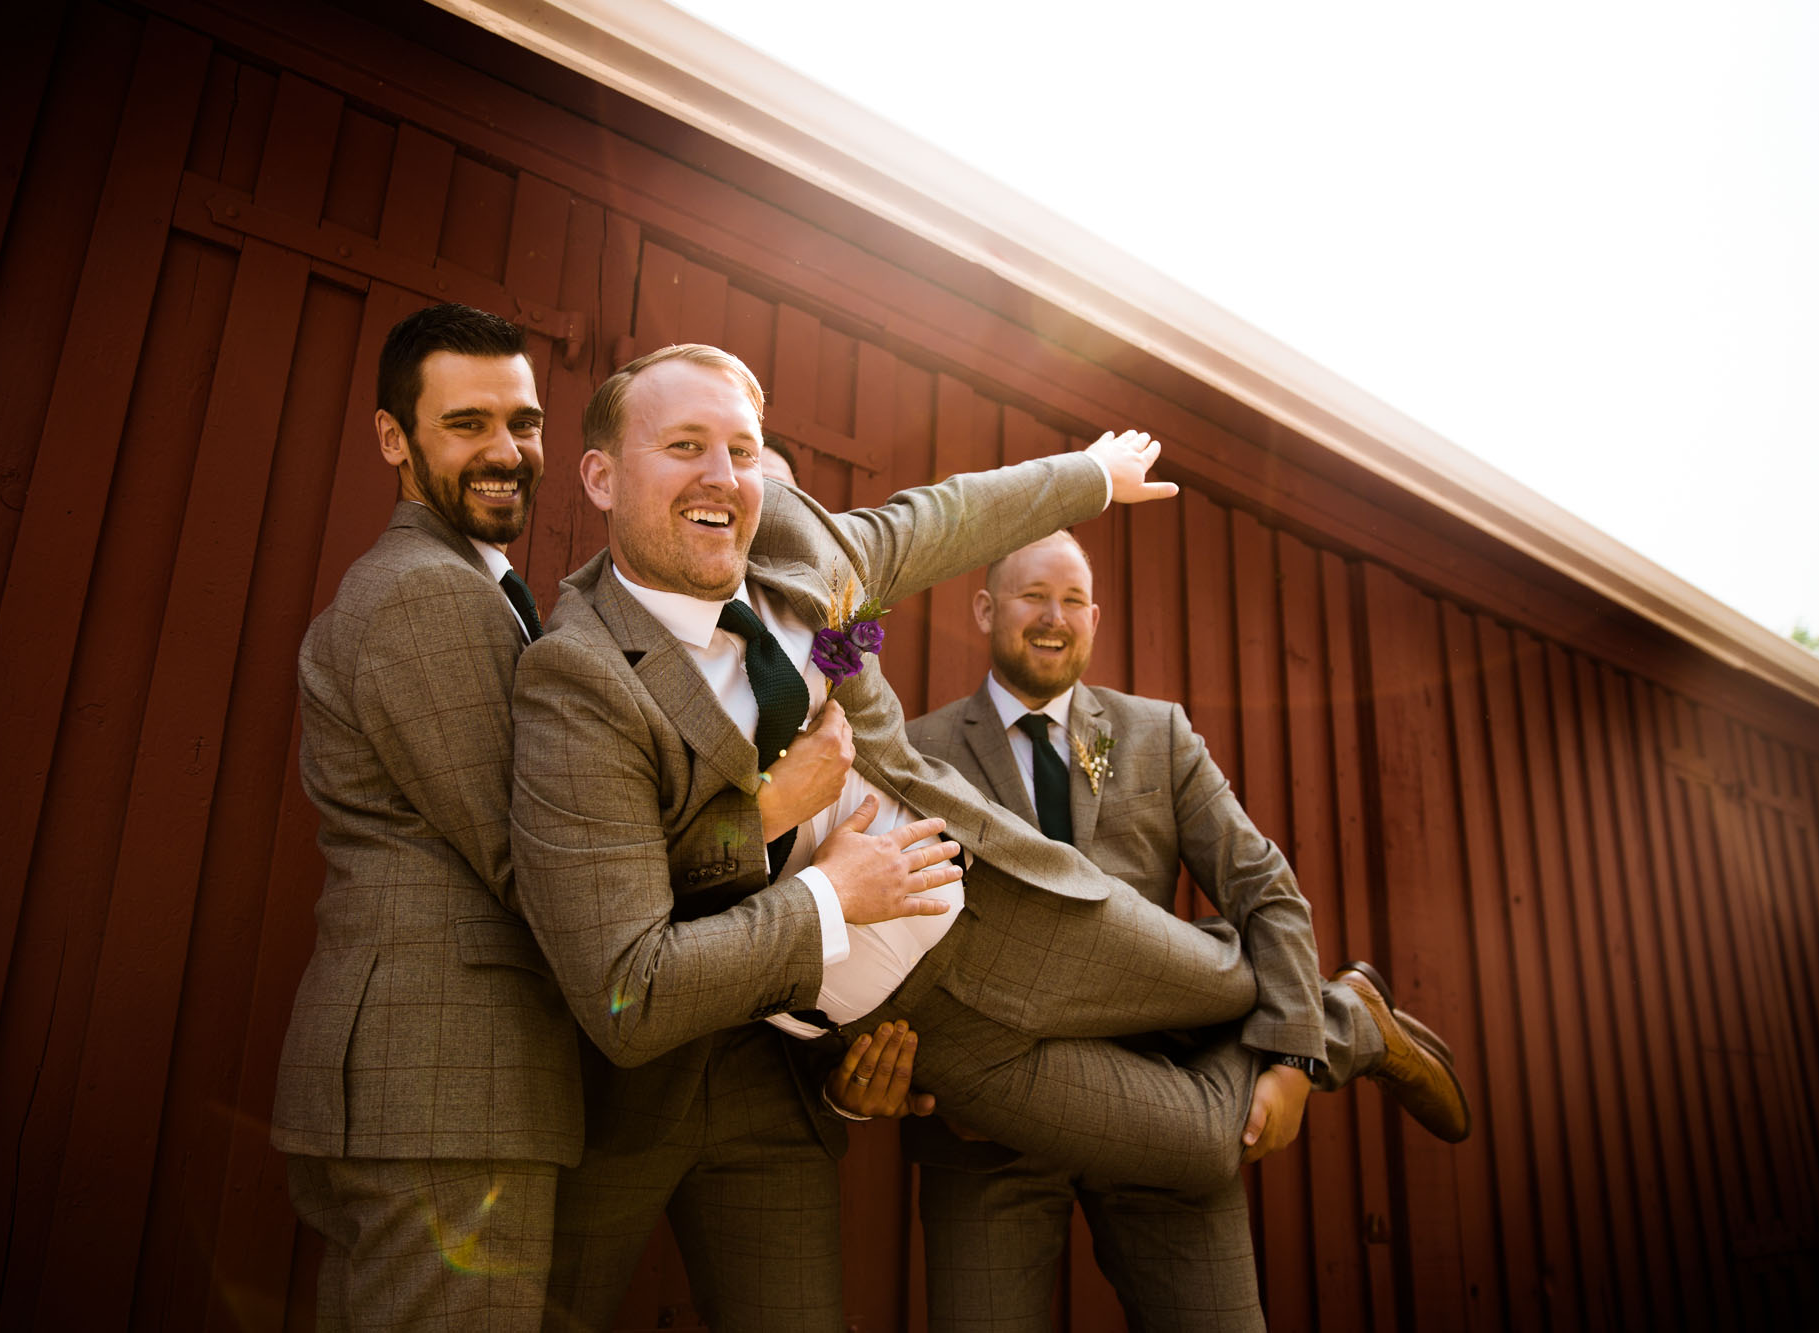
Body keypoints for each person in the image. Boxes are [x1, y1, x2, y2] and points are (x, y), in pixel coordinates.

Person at [507, 344, 1467, 1330]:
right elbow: (629, 936)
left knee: (1230, 985)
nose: (726, 482)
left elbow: (945, 515)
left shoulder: (808, 556)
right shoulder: (581, 672)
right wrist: (790, 843)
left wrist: (1092, 474)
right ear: (601, 474)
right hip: (912, 1015)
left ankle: (1343, 1022)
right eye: (685, 447)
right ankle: (1349, 1020)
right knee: (1190, 1139)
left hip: (1000, 913)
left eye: (743, 455)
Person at [905, 529, 1364, 1330]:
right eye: (1032, 596)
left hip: (1162, 1093)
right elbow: (896, 930)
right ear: (984, 608)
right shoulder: (920, 749)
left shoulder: (1157, 734)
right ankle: (1355, 1017)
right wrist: (923, 1078)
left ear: (1096, 617)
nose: (1055, 617)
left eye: (1074, 600)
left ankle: (1333, 1022)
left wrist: (1291, 1059)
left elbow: (1265, 889)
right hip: (987, 1133)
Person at [271, 303, 580, 1330]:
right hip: (446, 1086)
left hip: (425, 1091)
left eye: (524, 422)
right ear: (392, 438)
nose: (506, 451)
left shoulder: (469, 588)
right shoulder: (424, 593)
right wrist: (767, 812)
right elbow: (537, 851)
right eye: (467, 423)